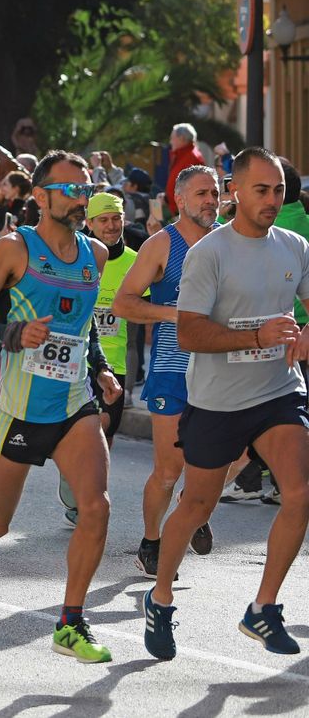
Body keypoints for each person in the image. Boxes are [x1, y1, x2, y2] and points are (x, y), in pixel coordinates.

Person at [0, 151, 123, 664]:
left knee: (96, 507)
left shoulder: (96, 255)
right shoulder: (13, 249)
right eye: (70, 189)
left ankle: (71, 621)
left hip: (73, 401)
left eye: (86, 189)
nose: (81, 198)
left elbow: (82, 327)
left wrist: (101, 367)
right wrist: (13, 334)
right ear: (39, 196)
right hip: (18, 404)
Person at [142, 147, 309, 659]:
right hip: (217, 400)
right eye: (261, 190)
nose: (272, 200)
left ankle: (263, 608)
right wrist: (257, 333)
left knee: (301, 491)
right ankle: (161, 595)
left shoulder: (295, 246)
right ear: (235, 191)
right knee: (196, 504)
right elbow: (189, 333)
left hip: (279, 390)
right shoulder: (208, 253)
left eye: (278, 190)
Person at [112, 164, 220, 576]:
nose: (211, 200)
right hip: (173, 371)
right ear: (181, 200)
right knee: (169, 469)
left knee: (245, 452)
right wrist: (173, 314)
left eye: (215, 192)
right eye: (202, 194)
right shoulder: (162, 245)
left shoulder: (228, 241)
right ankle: (151, 541)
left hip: (222, 371)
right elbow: (124, 303)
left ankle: (192, 503)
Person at [53, 192, 138, 526]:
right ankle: (81, 489)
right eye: (104, 219)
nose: (112, 226)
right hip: (75, 360)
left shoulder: (135, 260)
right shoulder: (78, 256)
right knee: (86, 429)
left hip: (115, 363)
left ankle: (87, 487)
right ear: (89, 223)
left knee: (106, 432)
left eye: (116, 218)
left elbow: (139, 322)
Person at [164, 123, 205, 217]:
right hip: (178, 210)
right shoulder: (183, 155)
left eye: (172, 138)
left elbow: (192, 189)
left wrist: (168, 199)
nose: (170, 142)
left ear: (181, 138)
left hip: (185, 214)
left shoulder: (192, 157)